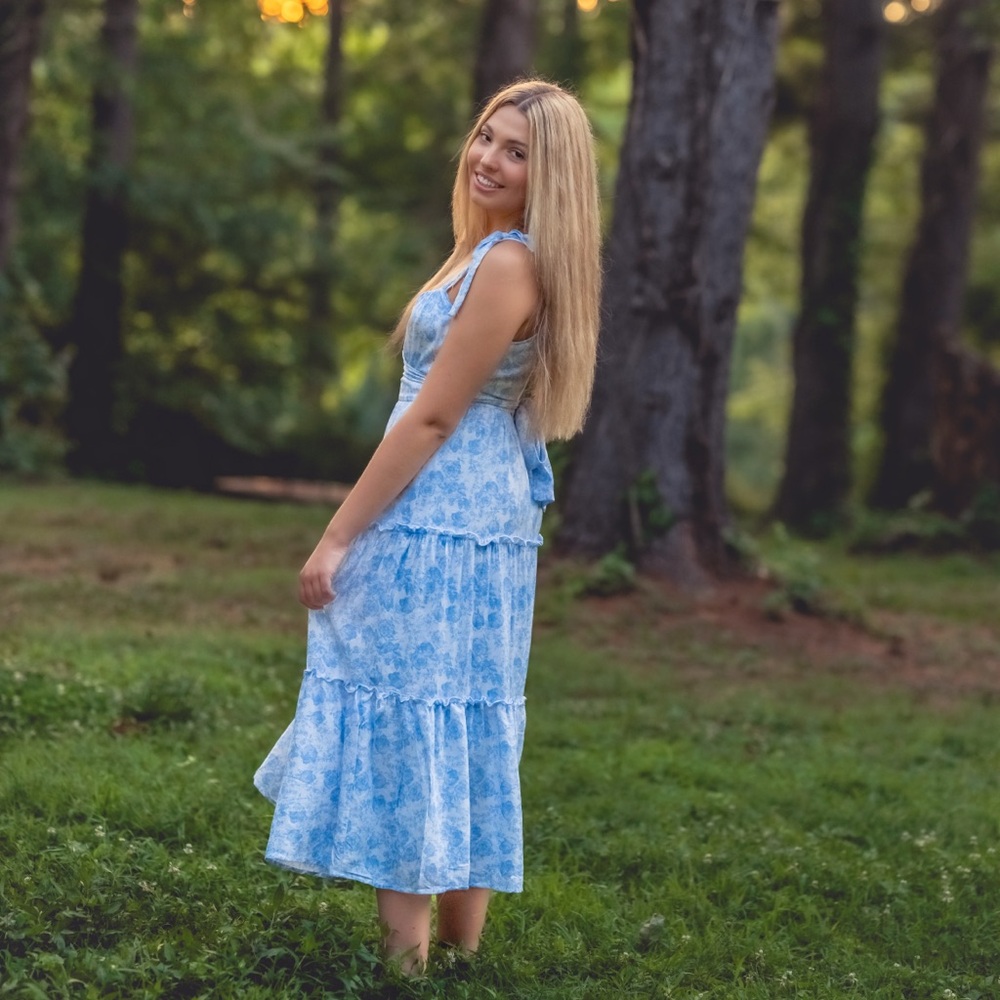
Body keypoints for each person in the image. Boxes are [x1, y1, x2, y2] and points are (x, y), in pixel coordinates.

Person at [254, 79, 601, 975]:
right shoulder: (485, 253)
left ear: (549, 177)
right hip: (477, 515)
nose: (489, 158)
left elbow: (432, 420)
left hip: (442, 514)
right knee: (459, 709)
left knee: (422, 713)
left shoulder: (509, 264)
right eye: (488, 137)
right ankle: (458, 958)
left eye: (517, 152)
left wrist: (336, 534)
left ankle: (407, 967)